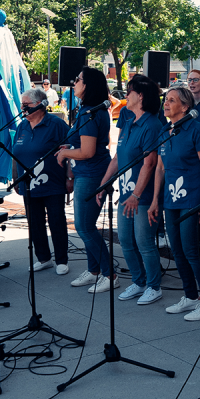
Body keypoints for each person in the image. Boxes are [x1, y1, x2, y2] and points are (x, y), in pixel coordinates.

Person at [149, 85, 200, 320]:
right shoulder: (164, 131)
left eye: (171, 100)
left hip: (191, 198)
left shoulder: (197, 130)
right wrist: (156, 200)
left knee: (190, 250)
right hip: (171, 199)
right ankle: (190, 296)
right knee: (176, 249)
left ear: (185, 106)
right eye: (165, 100)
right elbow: (160, 168)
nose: (166, 104)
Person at [98, 75, 163, 306]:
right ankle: (139, 280)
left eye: (129, 91)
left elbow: (150, 163)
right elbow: (118, 157)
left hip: (142, 197)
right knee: (125, 239)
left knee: (144, 241)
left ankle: (154, 286)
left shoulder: (152, 125)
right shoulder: (128, 121)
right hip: (126, 195)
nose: (125, 96)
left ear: (141, 96)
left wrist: (137, 194)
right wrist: (104, 183)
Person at [55, 67, 116, 293]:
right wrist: (71, 147)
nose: (74, 83)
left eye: (78, 79)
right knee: (87, 225)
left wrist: (65, 153)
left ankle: (110, 274)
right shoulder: (88, 110)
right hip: (87, 172)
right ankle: (94, 271)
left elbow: (89, 151)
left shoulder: (91, 112)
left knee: (83, 227)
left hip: (92, 174)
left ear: (87, 85)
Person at [13, 88, 70, 275]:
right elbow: (15, 153)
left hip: (52, 182)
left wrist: (70, 177)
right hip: (28, 185)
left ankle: (61, 259)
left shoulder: (56, 124)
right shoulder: (22, 126)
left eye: (26, 105)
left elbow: (70, 149)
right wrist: (16, 178)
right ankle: (43, 257)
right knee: (34, 222)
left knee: (56, 221)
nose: (22, 108)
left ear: (40, 104)